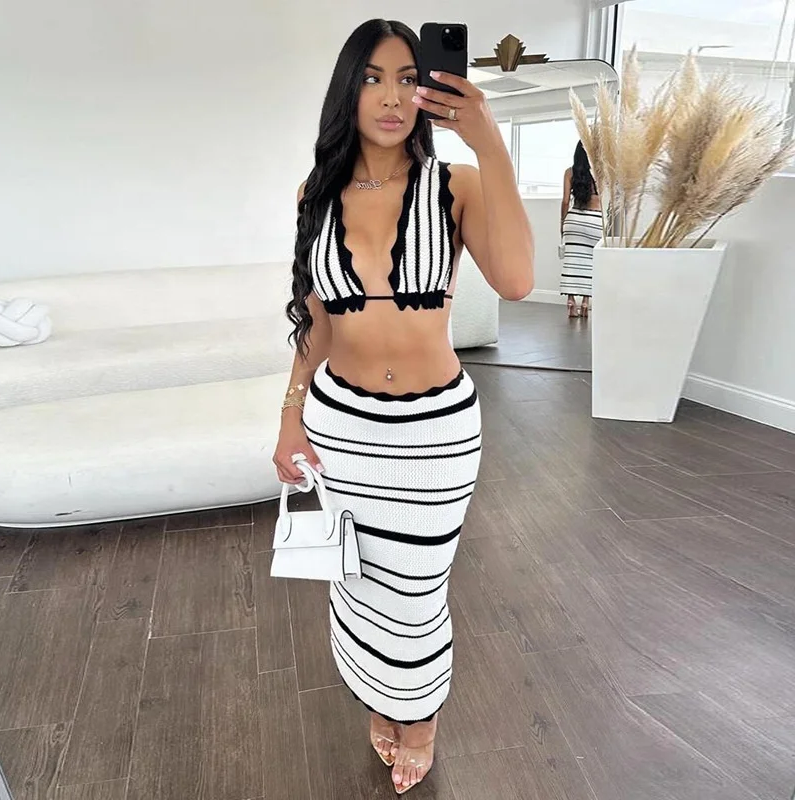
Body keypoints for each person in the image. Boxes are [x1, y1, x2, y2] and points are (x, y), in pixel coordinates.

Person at [273, 19, 533, 795]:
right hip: (342, 426)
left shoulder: (459, 184)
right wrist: (289, 415)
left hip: (435, 433)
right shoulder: (315, 194)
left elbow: (517, 281)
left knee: (417, 590)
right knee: (356, 579)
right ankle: (379, 698)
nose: (391, 97)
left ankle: (418, 717)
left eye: (408, 78)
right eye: (372, 78)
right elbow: (316, 320)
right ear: (346, 91)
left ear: (428, 91)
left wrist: (489, 142)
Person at [560, 140, 602, 318]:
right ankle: (585, 301)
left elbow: (565, 201)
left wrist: (563, 222)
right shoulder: (600, 172)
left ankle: (571, 300)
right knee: (591, 262)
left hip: (574, 219)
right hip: (595, 220)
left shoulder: (570, 172)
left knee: (571, 260)